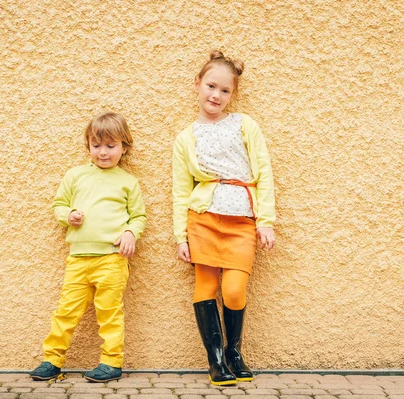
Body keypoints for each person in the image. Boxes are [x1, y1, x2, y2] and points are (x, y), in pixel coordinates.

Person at [172, 50, 276, 386]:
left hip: (241, 220)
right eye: (211, 86)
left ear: (233, 94)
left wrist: (266, 221)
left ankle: (234, 353)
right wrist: (180, 236)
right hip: (202, 219)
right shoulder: (186, 138)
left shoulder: (245, 125)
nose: (216, 95)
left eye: (225, 90)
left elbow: (264, 173)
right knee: (206, 285)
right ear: (197, 85)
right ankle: (216, 361)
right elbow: (179, 190)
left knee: (233, 290)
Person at [31, 112, 146, 382]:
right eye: (96, 146)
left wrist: (130, 232)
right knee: (66, 311)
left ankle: (111, 362)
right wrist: (67, 215)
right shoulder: (76, 176)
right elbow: (58, 205)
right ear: (88, 146)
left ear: (124, 147)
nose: (103, 152)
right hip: (79, 259)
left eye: (110, 146)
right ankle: (53, 359)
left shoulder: (128, 182)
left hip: (112, 259)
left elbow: (139, 216)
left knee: (109, 312)